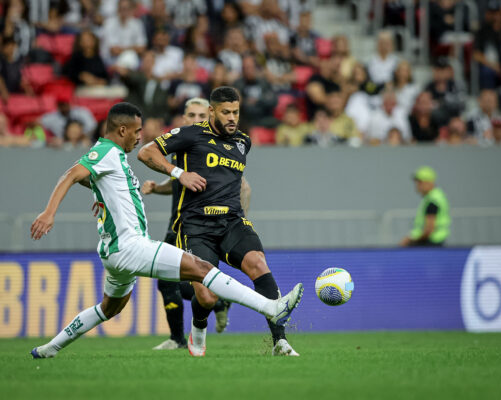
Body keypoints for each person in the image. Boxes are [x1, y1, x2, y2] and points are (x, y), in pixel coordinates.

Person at [30, 102, 304, 358]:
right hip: (131, 246)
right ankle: (271, 306)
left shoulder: (112, 158)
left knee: (108, 308)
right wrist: (49, 212)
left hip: (114, 253)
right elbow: (72, 174)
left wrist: (100, 193)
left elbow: (91, 179)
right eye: (137, 131)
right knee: (203, 269)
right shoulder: (105, 152)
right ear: (122, 130)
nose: (139, 137)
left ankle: (50, 348)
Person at [137, 87, 300, 357]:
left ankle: (280, 342)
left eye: (236, 111)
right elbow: (146, 152)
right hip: (196, 227)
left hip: (232, 222)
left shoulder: (243, 142)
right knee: (207, 296)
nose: (232, 117)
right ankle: (198, 328)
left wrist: (243, 217)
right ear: (212, 111)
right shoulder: (190, 133)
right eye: (226, 112)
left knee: (258, 264)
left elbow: (239, 185)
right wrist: (179, 174)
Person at [141, 98, 251, 350]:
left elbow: (243, 186)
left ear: (210, 116)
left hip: (200, 228)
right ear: (183, 117)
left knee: (191, 282)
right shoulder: (185, 143)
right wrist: (158, 189)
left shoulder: (214, 146)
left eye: (200, 114)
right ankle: (178, 337)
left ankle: (215, 303)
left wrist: (239, 222)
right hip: (177, 224)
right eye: (190, 114)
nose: (195, 119)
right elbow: (183, 181)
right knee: (167, 280)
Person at [400, 166, 451, 247]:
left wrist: (411, 240)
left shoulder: (432, 201)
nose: (417, 186)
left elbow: (429, 229)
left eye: (420, 182)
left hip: (431, 243)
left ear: (429, 182)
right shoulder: (437, 196)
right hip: (435, 242)